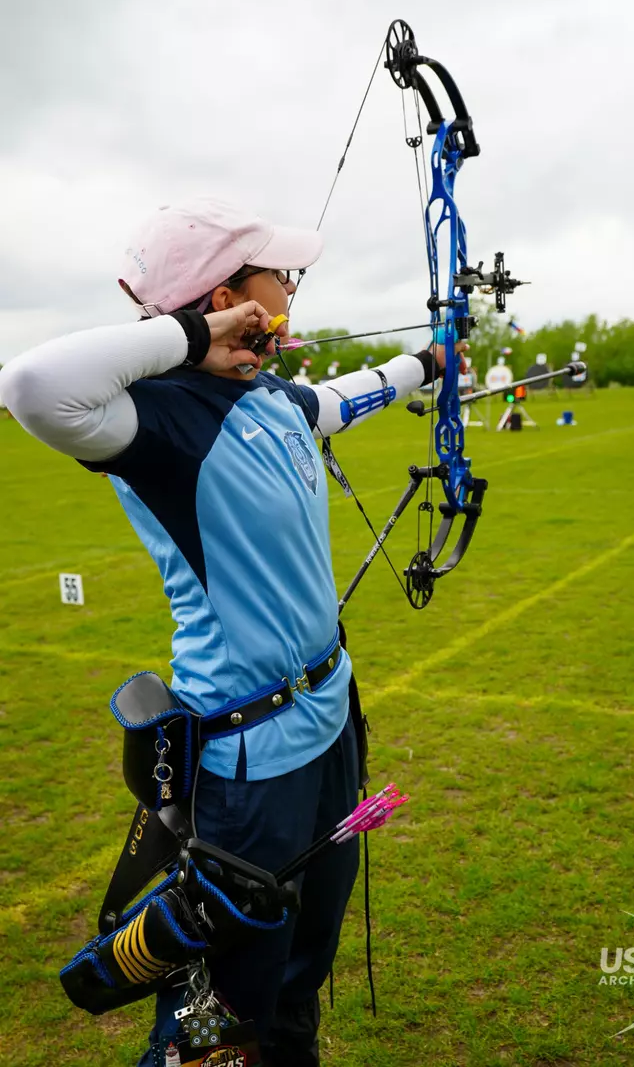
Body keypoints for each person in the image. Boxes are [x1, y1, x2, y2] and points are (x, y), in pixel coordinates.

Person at [0, 197, 462, 1067]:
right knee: (222, 1011)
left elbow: (343, 398)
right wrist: (188, 334)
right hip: (249, 760)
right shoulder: (157, 419)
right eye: (274, 276)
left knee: (299, 976)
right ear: (225, 297)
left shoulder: (277, 399)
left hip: (329, 729)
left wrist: (428, 360)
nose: (290, 288)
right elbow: (29, 387)